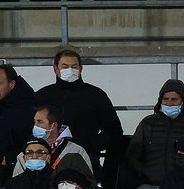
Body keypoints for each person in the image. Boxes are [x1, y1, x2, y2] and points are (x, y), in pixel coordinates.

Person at [34, 49, 122, 179]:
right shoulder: (42, 96)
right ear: (55, 69)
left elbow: (114, 130)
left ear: (81, 69)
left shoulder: (96, 95)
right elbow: (30, 126)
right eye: (65, 66)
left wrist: (91, 144)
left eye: (74, 66)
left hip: (85, 156)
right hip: (47, 156)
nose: (70, 70)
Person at [0, 63, 37, 182]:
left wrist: (10, 158)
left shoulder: (27, 110)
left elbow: (33, 140)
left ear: (12, 84)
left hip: (16, 173)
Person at [8, 104, 93, 178]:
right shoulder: (24, 154)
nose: (35, 126)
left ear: (54, 125)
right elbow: (16, 184)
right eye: (34, 122)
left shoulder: (77, 151)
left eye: (39, 122)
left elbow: (87, 182)